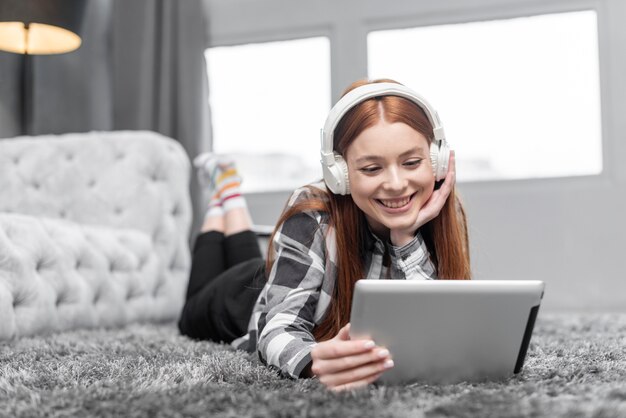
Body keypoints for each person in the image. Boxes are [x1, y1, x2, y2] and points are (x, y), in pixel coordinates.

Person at [178, 78, 471, 392]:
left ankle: (229, 190)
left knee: (254, 260)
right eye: (372, 169)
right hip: (238, 300)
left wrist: (406, 234)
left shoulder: (439, 211)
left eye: (412, 162)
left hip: (277, 273)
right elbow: (279, 326)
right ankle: (224, 193)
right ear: (339, 173)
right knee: (192, 305)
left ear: (436, 160)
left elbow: (433, 325)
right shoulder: (312, 213)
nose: (397, 184)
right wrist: (313, 358)